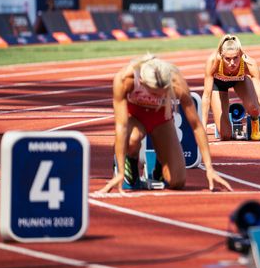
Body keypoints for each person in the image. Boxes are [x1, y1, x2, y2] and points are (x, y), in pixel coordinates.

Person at [99, 54, 233, 194]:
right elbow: (121, 126)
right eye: (154, 93)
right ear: (142, 81)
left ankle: (159, 166)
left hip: (161, 118)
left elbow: (196, 125)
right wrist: (120, 172)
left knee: (177, 182)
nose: (156, 98)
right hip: (135, 116)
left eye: (162, 94)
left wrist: (210, 169)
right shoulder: (125, 79)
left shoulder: (176, 83)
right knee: (132, 138)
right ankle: (130, 164)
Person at [201, 35, 260, 143]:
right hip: (219, 85)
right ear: (221, 56)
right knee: (225, 135)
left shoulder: (249, 63)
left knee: (254, 108)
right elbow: (206, 97)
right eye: (227, 59)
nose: (232, 63)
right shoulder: (213, 62)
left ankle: (254, 121)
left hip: (240, 81)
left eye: (235, 58)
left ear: (241, 54)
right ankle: (229, 122)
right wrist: (203, 129)